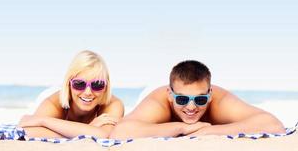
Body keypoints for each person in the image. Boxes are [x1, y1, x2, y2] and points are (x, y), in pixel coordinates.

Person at [110, 60, 285, 139]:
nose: (191, 107)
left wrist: (206, 131)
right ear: (170, 96)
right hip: (149, 97)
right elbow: (120, 132)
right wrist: (183, 127)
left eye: (200, 100)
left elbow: (273, 125)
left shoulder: (219, 100)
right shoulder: (159, 102)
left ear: (209, 94)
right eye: (182, 99)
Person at [19, 50, 124, 138]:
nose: (88, 92)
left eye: (97, 84)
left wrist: (44, 121)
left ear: (106, 87)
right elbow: (30, 131)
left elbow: (104, 135)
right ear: (69, 84)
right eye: (79, 84)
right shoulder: (53, 103)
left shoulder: (114, 104)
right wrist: (89, 130)